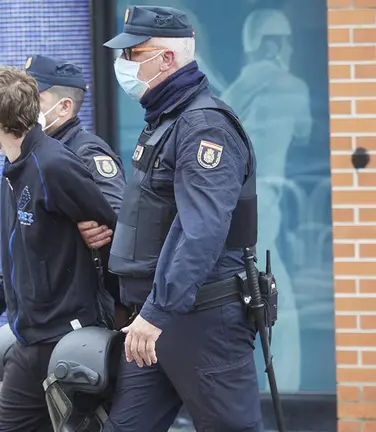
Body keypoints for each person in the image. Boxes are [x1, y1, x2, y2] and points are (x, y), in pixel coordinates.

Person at [103, 6, 261, 431]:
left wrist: (157, 312)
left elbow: (201, 232)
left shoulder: (204, 127)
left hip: (200, 322)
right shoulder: (167, 121)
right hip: (156, 321)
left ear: (167, 59)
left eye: (134, 55)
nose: (124, 65)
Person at [0, 66, 117, 431]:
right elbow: (23, 252)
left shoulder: (52, 163)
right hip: (30, 339)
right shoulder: (15, 166)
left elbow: (113, 227)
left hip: (68, 340)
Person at [221, 8, 311, 391]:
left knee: (261, 294)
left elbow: (222, 116)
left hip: (257, 201)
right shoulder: (291, 85)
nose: (287, 47)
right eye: (283, 40)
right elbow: (304, 132)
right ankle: (279, 386)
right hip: (261, 201)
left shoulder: (250, 81)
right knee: (270, 296)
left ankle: (275, 386)